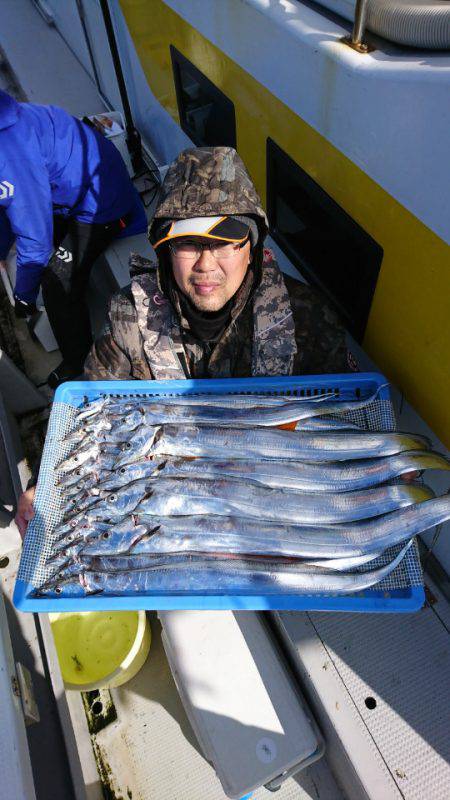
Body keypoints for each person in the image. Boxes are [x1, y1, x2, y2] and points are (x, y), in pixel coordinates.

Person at [15, 145, 352, 536]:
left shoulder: (305, 313)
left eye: (225, 240)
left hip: (273, 501)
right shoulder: (128, 314)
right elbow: (91, 411)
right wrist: (49, 481)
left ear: (251, 247)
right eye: (187, 243)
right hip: (174, 507)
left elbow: (339, 416)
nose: (206, 265)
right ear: (164, 250)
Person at [0, 90, 147, 388]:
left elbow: (36, 244)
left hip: (102, 202)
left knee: (56, 282)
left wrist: (24, 297)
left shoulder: (9, 152)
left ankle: (77, 361)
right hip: (70, 184)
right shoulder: (8, 118)